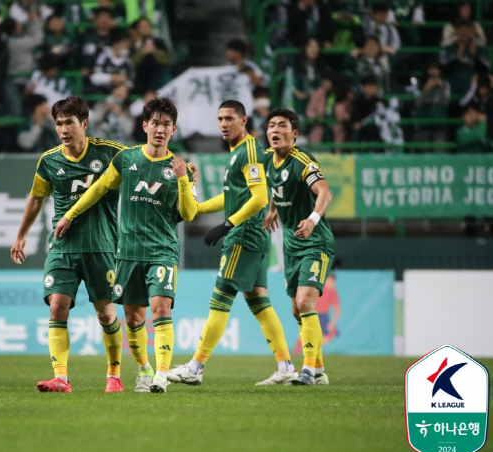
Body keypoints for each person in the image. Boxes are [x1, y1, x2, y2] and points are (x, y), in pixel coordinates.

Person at [54, 98, 198, 393]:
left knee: (161, 309)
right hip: (129, 252)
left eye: (166, 125)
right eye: (155, 123)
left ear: (173, 129)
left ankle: (160, 375)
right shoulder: (126, 159)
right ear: (145, 126)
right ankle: (144, 369)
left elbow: (189, 213)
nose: (160, 129)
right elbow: (99, 188)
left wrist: (184, 180)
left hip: (163, 251)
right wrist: (70, 214)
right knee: (133, 319)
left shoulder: (183, 168)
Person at [167, 101, 296, 387]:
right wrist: (198, 210)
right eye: (220, 119)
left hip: (243, 236)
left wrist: (228, 224)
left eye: (229, 118)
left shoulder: (248, 150)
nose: (223, 124)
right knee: (259, 301)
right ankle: (286, 367)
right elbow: (234, 196)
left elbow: (260, 197)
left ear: (243, 120)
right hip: (254, 236)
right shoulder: (239, 151)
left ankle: (195, 368)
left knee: (220, 299)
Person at [10, 96, 128, 393]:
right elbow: (36, 198)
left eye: (69, 123)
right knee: (56, 307)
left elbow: (146, 160)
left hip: (101, 246)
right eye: (59, 123)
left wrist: (178, 167)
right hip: (62, 246)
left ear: (84, 124)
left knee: (106, 314)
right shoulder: (49, 160)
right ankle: (60, 377)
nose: (63, 129)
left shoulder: (111, 153)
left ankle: (114, 374)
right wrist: (21, 234)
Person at [262, 108, 334, 386]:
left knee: (305, 302)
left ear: (294, 134)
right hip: (291, 244)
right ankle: (318, 370)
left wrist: (313, 219)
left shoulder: (302, 161)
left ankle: (307, 371)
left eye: (282, 126)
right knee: (296, 309)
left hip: (315, 241)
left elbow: (325, 192)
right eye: (271, 126)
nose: (275, 130)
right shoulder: (268, 159)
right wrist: (272, 209)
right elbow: (276, 186)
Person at [90, 29, 134, 93]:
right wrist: (111, 78)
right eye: (124, 43)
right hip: (102, 93)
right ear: (116, 44)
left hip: (120, 95)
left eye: (128, 44)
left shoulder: (128, 62)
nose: (127, 47)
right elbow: (94, 78)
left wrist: (123, 84)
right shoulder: (104, 57)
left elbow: (131, 83)